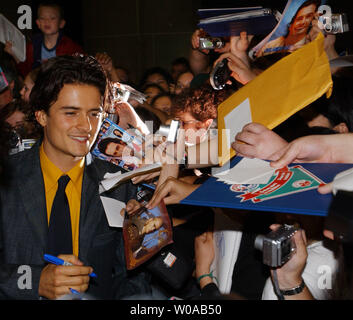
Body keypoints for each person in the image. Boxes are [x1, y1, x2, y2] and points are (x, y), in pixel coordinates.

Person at [0, 55, 151, 300]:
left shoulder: (120, 185)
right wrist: (34, 281)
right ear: (41, 116)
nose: (86, 127)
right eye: (71, 113)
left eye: (94, 114)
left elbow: (132, 279)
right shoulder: (6, 179)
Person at [5, 2, 84, 77]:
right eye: (42, 18)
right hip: (39, 88)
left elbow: (81, 69)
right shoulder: (32, 46)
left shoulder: (70, 46)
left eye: (52, 18)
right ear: (38, 23)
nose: (47, 21)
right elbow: (27, 73)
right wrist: (13, 53)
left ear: (61, 23)